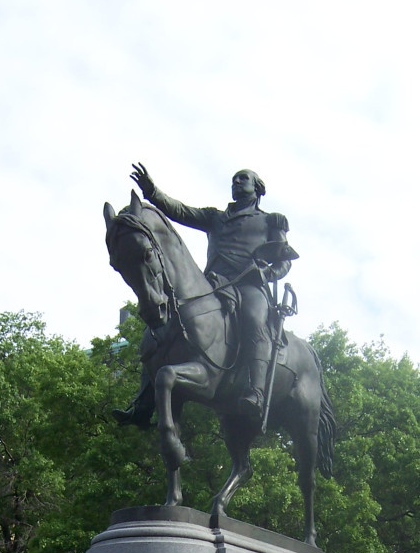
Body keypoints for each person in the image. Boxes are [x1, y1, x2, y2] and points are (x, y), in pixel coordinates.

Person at [125, 163, 296, 424]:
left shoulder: (270, 220)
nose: (237, 182)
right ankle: (144, 401)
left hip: (249, 286)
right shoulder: (215, 218)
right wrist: (151, 191)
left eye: (243, 178)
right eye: (234, 179)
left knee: (253, 321)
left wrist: (266, 274)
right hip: (213, 284)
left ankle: (256, 392)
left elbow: (284, 260)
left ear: (257, 188)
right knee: (161, 324)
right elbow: (179, 210)